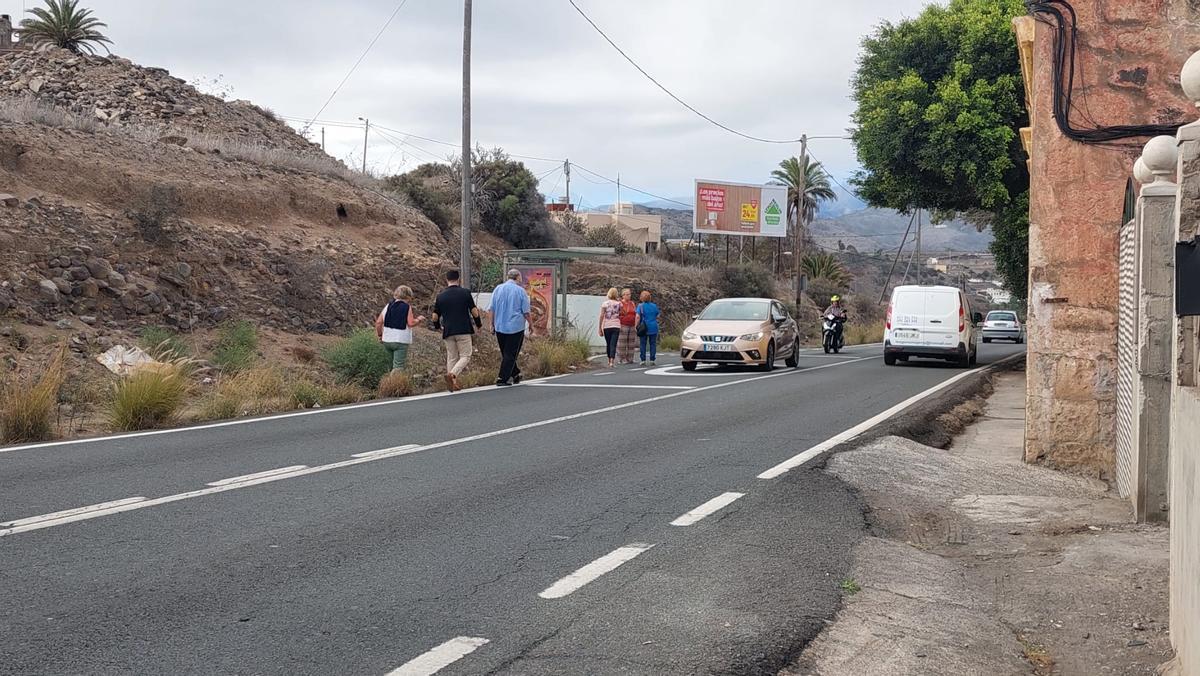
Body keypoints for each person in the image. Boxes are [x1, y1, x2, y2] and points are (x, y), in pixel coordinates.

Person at [431, 270, 482, 392]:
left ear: (446, 280)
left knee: (452, 357)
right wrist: (479, 324)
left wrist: (437, 327)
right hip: (463, 329)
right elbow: (474, 310)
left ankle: (452, 384)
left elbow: (435, 316)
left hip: (448, 330)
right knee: (465, 356)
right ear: (458, 279)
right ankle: (452, 374)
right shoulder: (465, 293)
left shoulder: (441, 296)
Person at [490, 269, 532, 386]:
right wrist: (531, 325)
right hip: (515, 327)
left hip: (500, 326)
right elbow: (526, 312)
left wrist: (491, 324)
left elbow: (492, 308)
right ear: (518, 277)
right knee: (511, 353)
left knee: (506, 352)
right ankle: (502, 378)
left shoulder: (498, 289)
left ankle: (515, 374)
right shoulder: (520, 291)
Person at [375, 285, 425, 371]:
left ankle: (385, 382)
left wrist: (380, 335)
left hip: (387, 340)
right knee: (398, 367)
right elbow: (410, 323)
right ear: (408, 296)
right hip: (400, 341)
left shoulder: (388, 306)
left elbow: (378, 323)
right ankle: (394, 383)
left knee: (389, 366)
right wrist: (419, 319)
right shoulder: (406, 307)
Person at [598, 288, 622, 368]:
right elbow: (623, 313)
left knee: (608, 343)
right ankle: (612, 360)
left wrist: (599, 328)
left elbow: (601, 316)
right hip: (616, 325)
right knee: (613, 344)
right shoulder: (619, 304)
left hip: (607, 326)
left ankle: (609, 360)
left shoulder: (605, 303)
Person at [636, 290, 661, 366]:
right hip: (653, 326)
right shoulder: (654, 306)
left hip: (644, 327)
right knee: (653, 343)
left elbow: (637, 316)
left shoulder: (640, 306)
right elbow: (658, 315)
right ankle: (652, 359)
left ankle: (643, 359)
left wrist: (636, 326)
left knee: (643, 343)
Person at [616, 288, 638, 365]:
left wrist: (636, 324)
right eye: (627, 294)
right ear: (623, 295)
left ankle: (630, 358)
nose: (629, 296)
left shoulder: (632, 303)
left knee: (631, 342)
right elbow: (617, 314)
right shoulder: (620, 303)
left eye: (629, 294)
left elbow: (635, 313)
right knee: (622, 342)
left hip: (632, 324)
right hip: (623, 324)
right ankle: (621, 359)